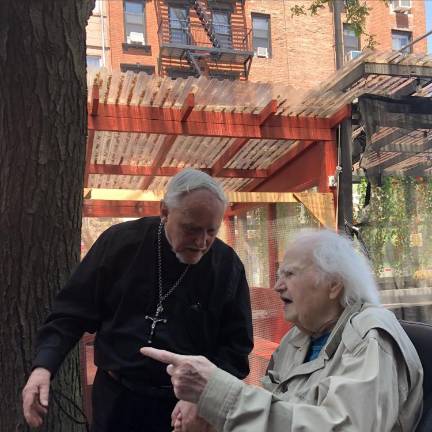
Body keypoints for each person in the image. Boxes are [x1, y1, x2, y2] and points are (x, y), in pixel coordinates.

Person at [22, 168, 254, 432]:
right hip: (116, 401)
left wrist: (206, 396)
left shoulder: (227, 267)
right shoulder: (120, 243)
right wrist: (43, 367)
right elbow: (70, 312)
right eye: (191, 229)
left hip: (183, 411)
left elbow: (236, 348)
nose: (201, 242)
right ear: (165, 211)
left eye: (211, 231)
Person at [142, 229, 424, 432]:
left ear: (334, 284)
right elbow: (278, 408)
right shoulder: (298, 338)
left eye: (290, 274)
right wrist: (212, 414)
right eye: (279, 275)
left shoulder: (370, 334)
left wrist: (220, 394)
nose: (277, 286)